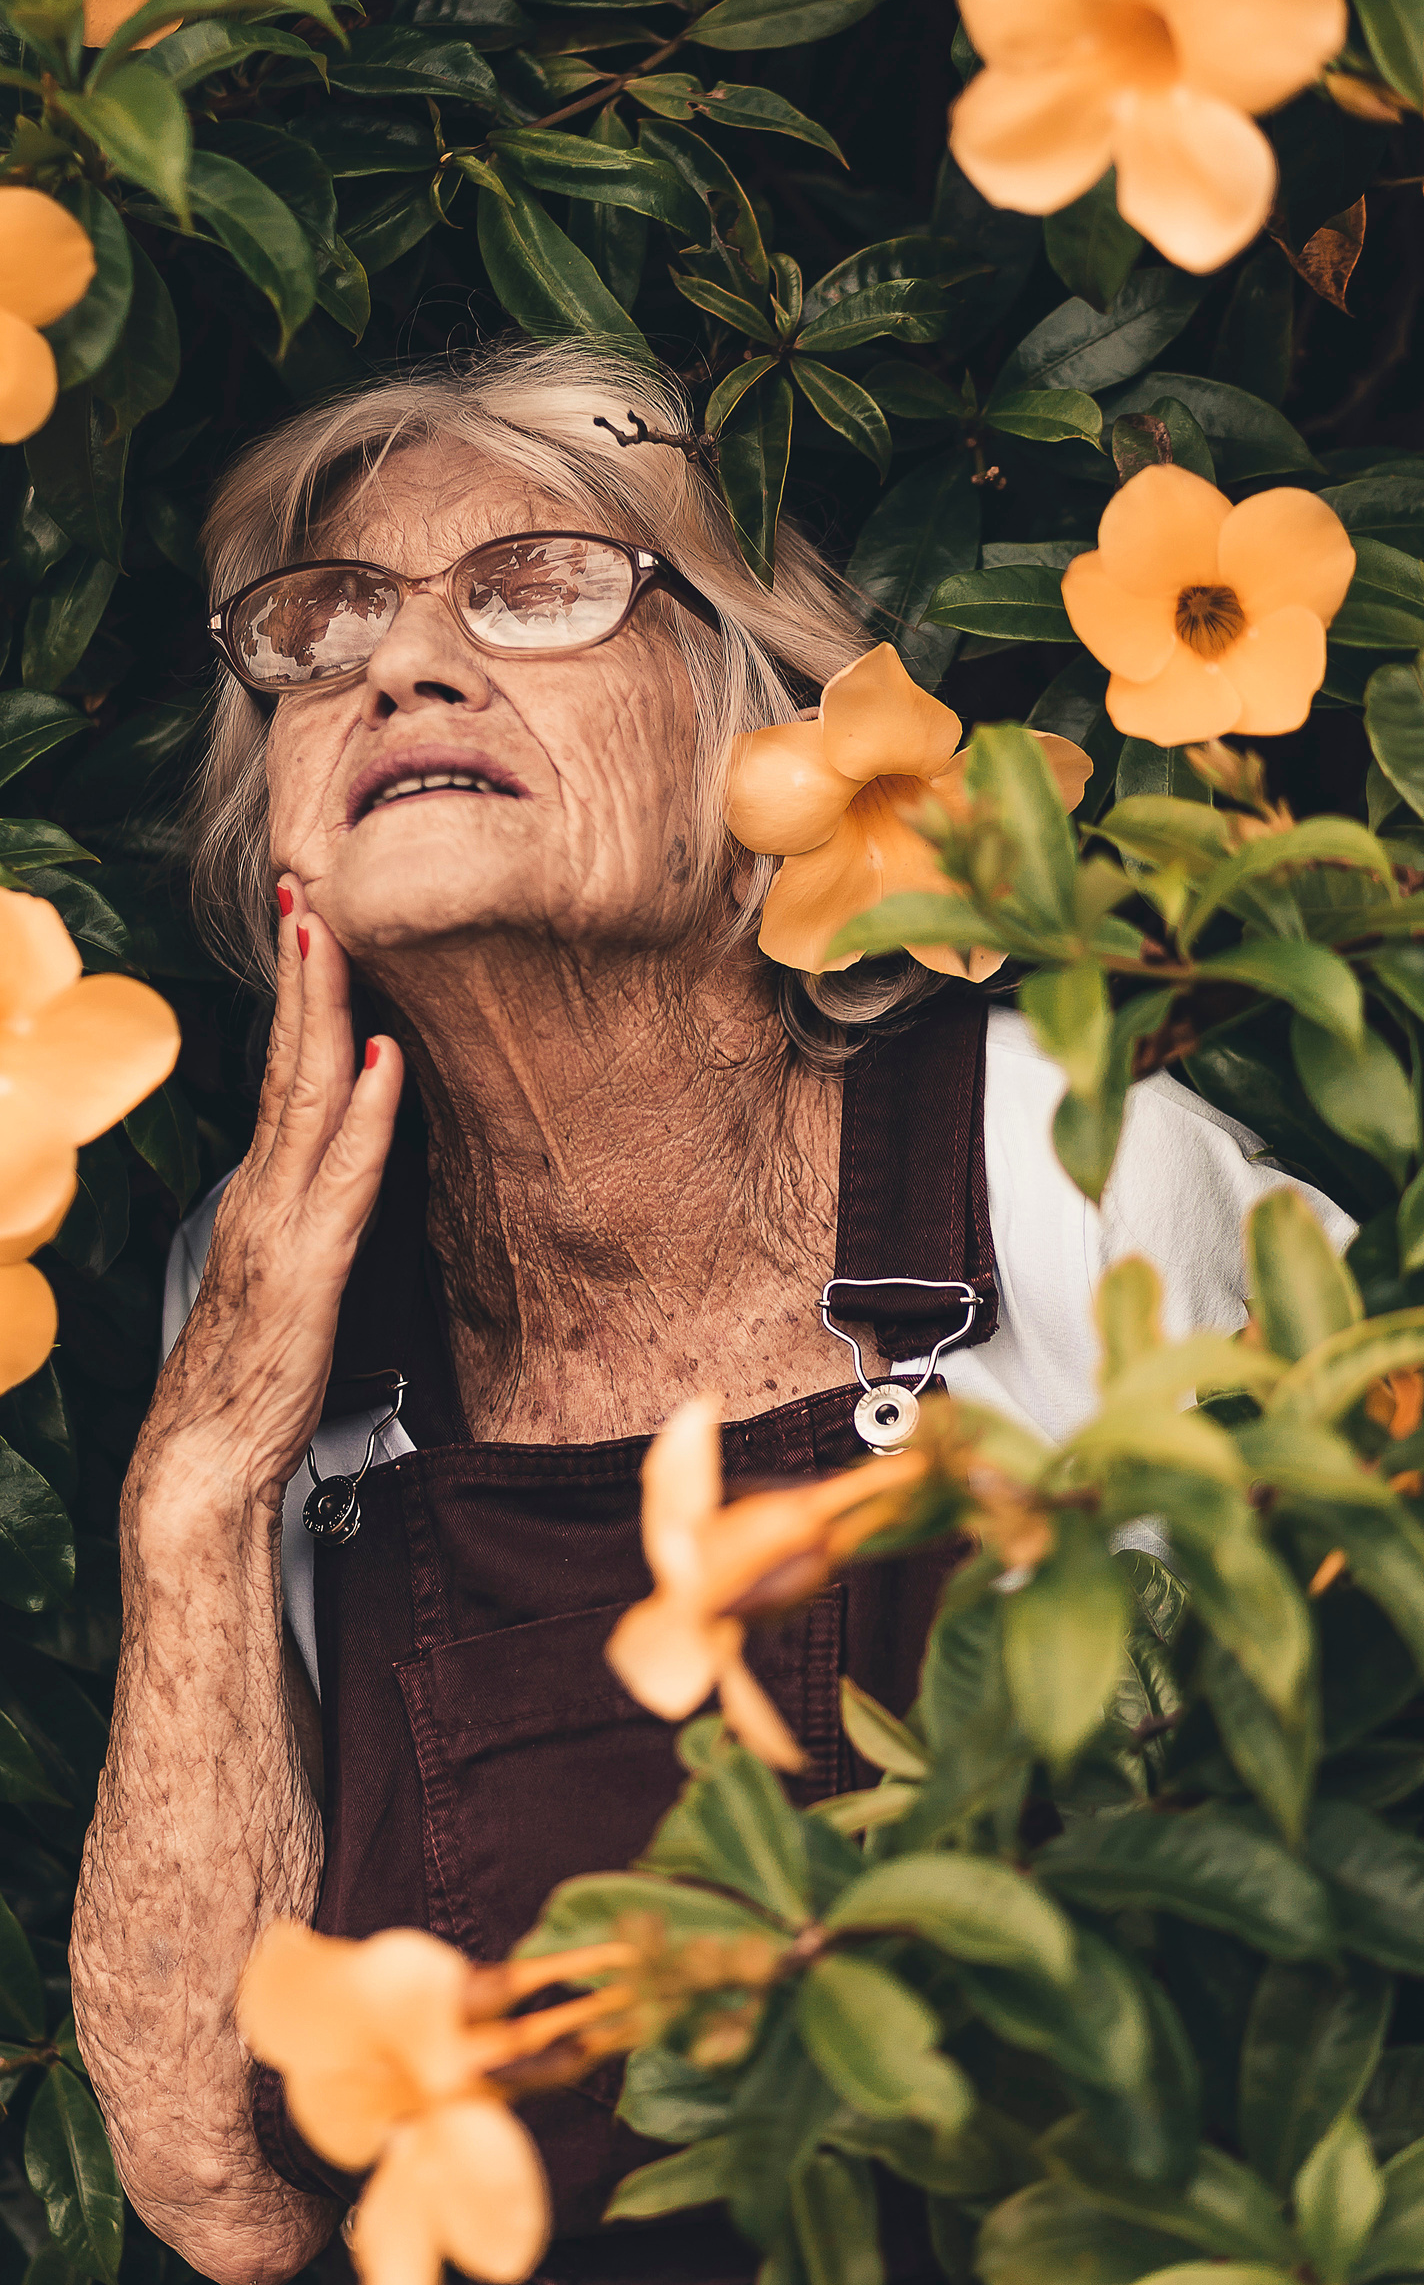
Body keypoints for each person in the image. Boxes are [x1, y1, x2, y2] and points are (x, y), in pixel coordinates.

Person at [68, 339, 1347, 2285]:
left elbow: (1282, 1946)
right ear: (281, 840)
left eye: (539, 586)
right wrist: (206, 1463)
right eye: (323, 630)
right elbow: (221, 2185)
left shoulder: (1071, 1171)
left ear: (769, 742)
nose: (402, 667)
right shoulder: (265, 1297)